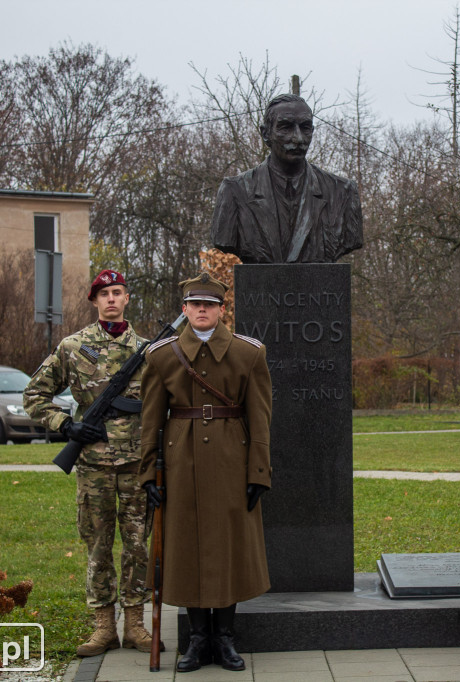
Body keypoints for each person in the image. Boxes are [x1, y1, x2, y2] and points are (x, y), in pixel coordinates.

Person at [139, 273, 272, 673]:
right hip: (179, 463)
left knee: (229, 545)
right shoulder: (161, 356)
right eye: (195, 304)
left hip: (233, 459)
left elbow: (261, 416)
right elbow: (150, 419)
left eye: (209, 304)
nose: (201, 310)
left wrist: (259, 472)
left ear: (221, 309)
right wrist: (148, 474)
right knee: (187, 545)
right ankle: (197, 639)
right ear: (184, 309)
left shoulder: (249, 353)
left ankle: (225, 638)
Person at [23, 269, 157, 656]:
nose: (111, 299)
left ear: (127, 298)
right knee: (98, 546)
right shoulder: (73, 346)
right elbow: (34, 395)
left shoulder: (148, 350)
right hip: (94, 466)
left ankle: (134, 624)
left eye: (118, 293)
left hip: (136, 464)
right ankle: (103, 627)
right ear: (94, 301)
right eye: (104, 294)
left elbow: (163, 404)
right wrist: (66, 426)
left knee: (137, 546)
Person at [210, 93, 363, 264]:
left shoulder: (343, 192)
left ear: (312, 131)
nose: (298, 138)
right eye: (286, 127)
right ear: (266, 133)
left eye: (305, 127)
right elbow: (224, 240)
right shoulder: (234, 191)